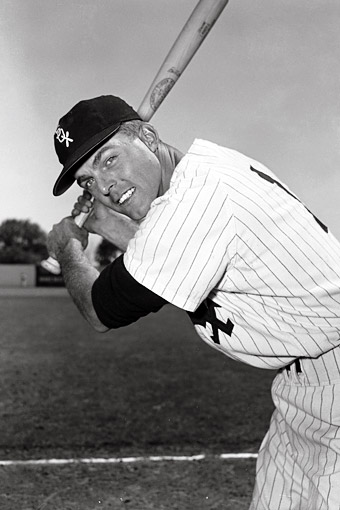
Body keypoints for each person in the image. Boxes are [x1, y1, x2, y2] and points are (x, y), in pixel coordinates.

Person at [47, 94, 340, 509]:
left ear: (147, 136)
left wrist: (68, 248)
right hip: (304, 387)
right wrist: (108, 222)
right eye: (87, 180)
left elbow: (100, 311)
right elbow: (177, 260)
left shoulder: (195, 201)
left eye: (109, 160)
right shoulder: (202, 172)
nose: (104, 186)